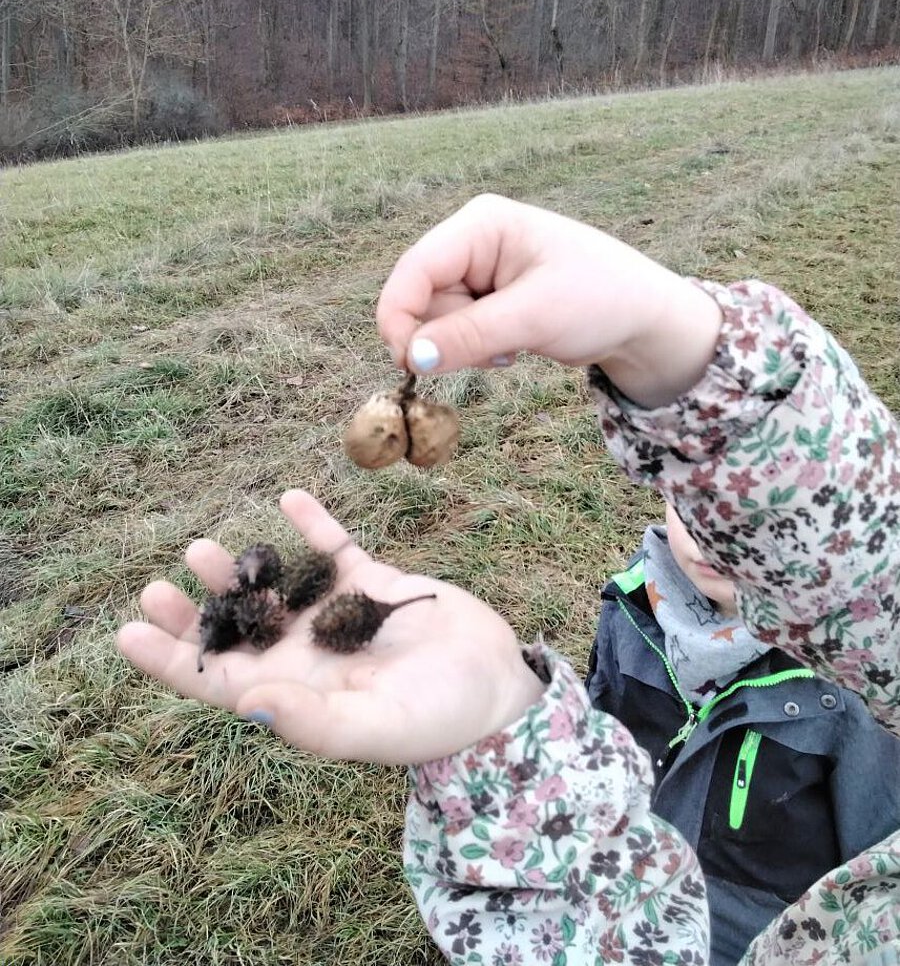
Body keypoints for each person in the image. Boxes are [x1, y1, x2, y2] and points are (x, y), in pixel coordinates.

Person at [117, 194, 900, 966]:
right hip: (634, 856)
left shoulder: (845, 710)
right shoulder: (635, 608)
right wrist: (674, 337)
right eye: (695, 509)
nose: (706, 543)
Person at [586, 502, 900, 965]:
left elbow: (872, 879)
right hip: (612, 914)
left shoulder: (859, 686)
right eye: (687, 493)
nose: (710, 528)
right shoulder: (634, 601)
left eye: (758, 510)